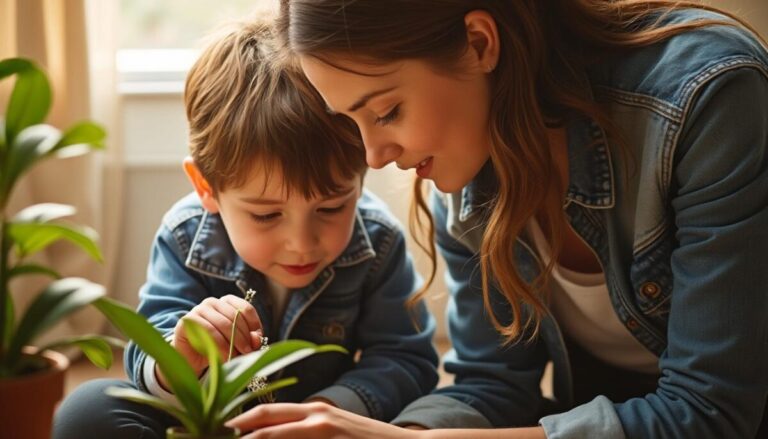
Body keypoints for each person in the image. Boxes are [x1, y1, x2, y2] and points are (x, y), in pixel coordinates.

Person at [225, 1, 768, 438]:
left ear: (480, 42)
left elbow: (711, 412)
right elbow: (495, 384)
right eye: (351, 122)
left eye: (387, 111)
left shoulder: (708, 98)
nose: (373, 156)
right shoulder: (462, 172)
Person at [53, 16, 438, 439]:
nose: (301, 243)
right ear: (207, 188)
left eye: (331, 208)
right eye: (267, 215)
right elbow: (150, 343)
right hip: (209, 421)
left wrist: (328, 410)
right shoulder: (187, 237)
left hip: (319, 430)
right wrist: (177, 357)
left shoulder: (377, 242)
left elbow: (406, 359)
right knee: (86, 410)